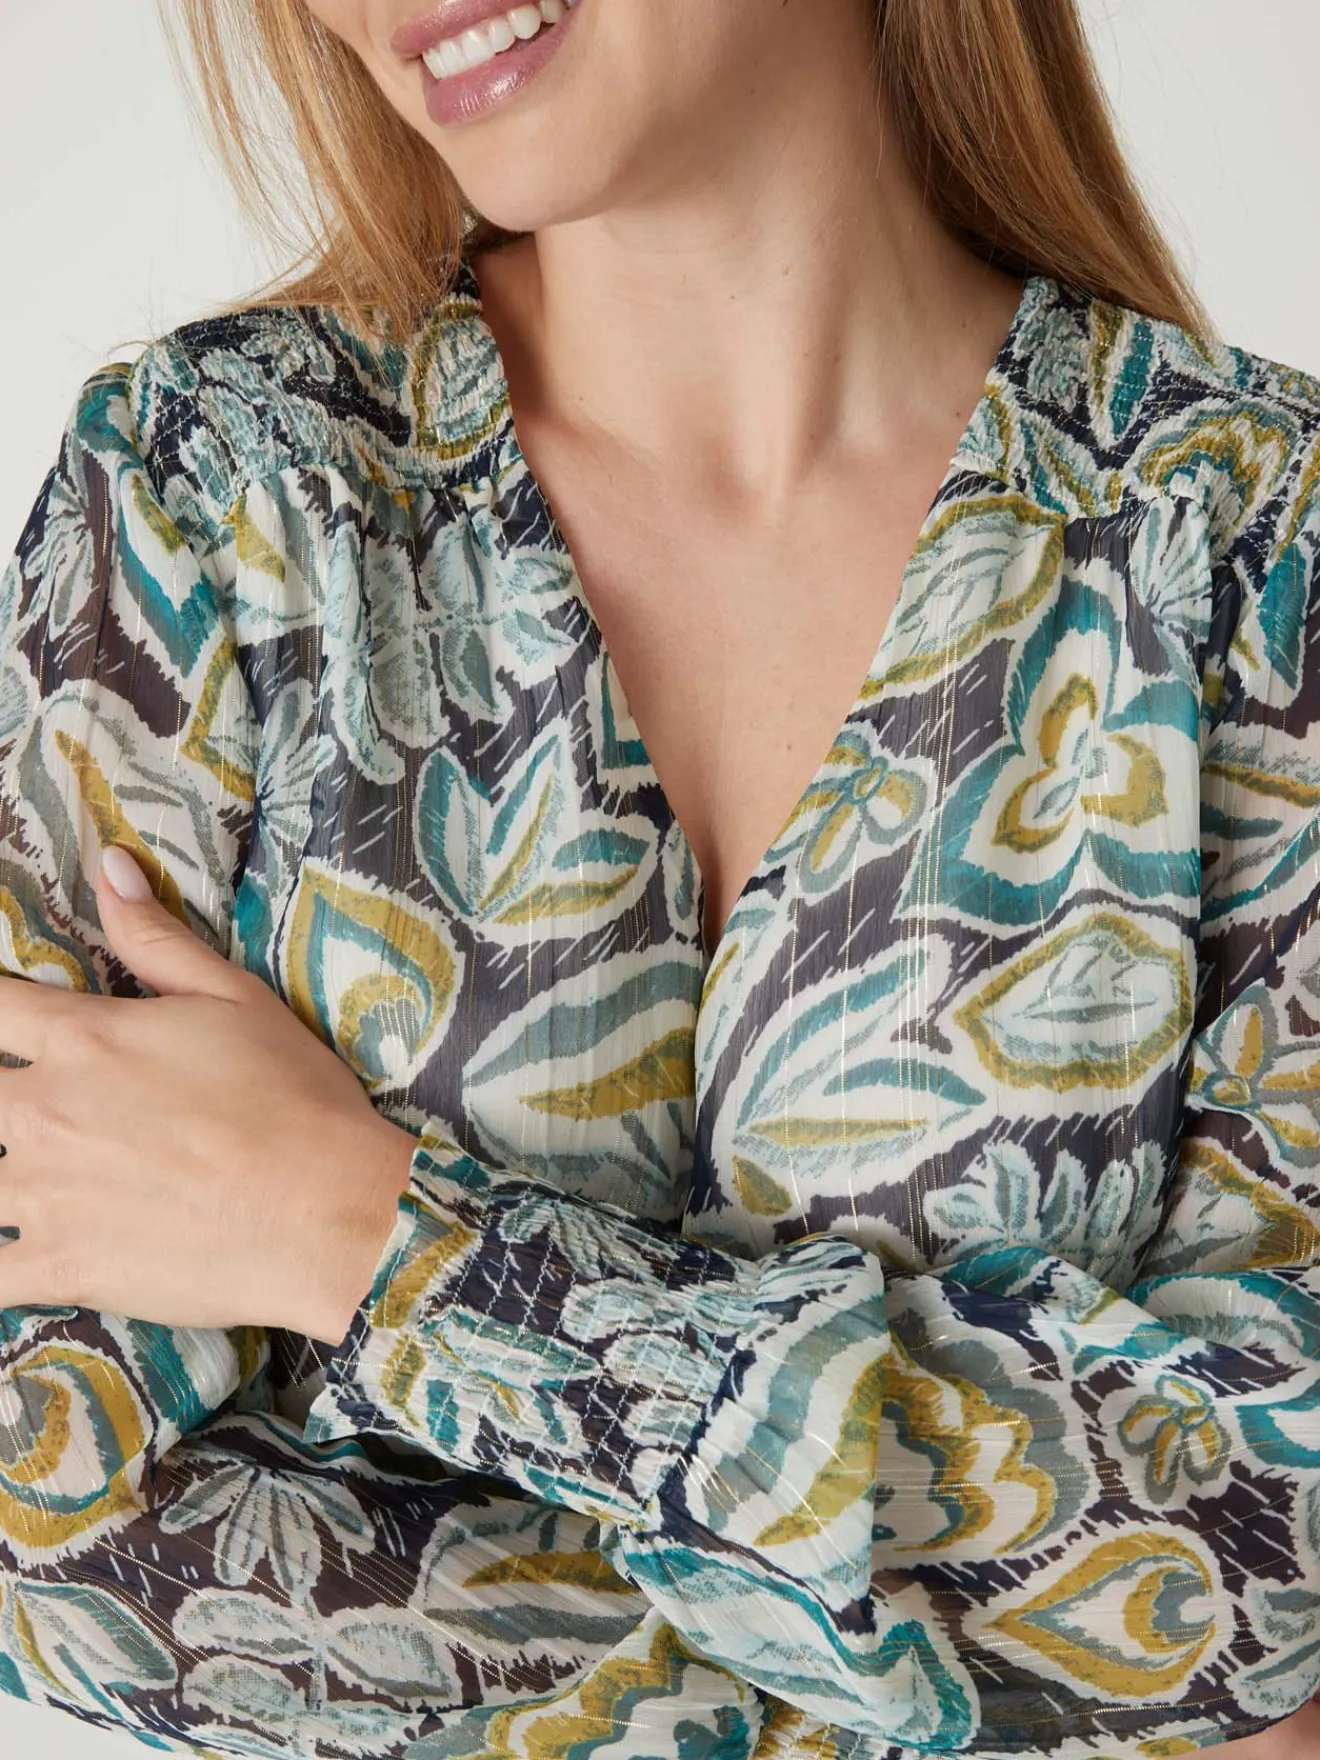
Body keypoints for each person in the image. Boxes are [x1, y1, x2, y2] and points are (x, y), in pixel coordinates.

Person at [0, 0, 1318, 1755]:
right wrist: (1021, 1667)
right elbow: (44, 1520)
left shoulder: (1252, 544)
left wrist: (377, 1244)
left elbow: (1262, 1544)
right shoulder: (214, 501)